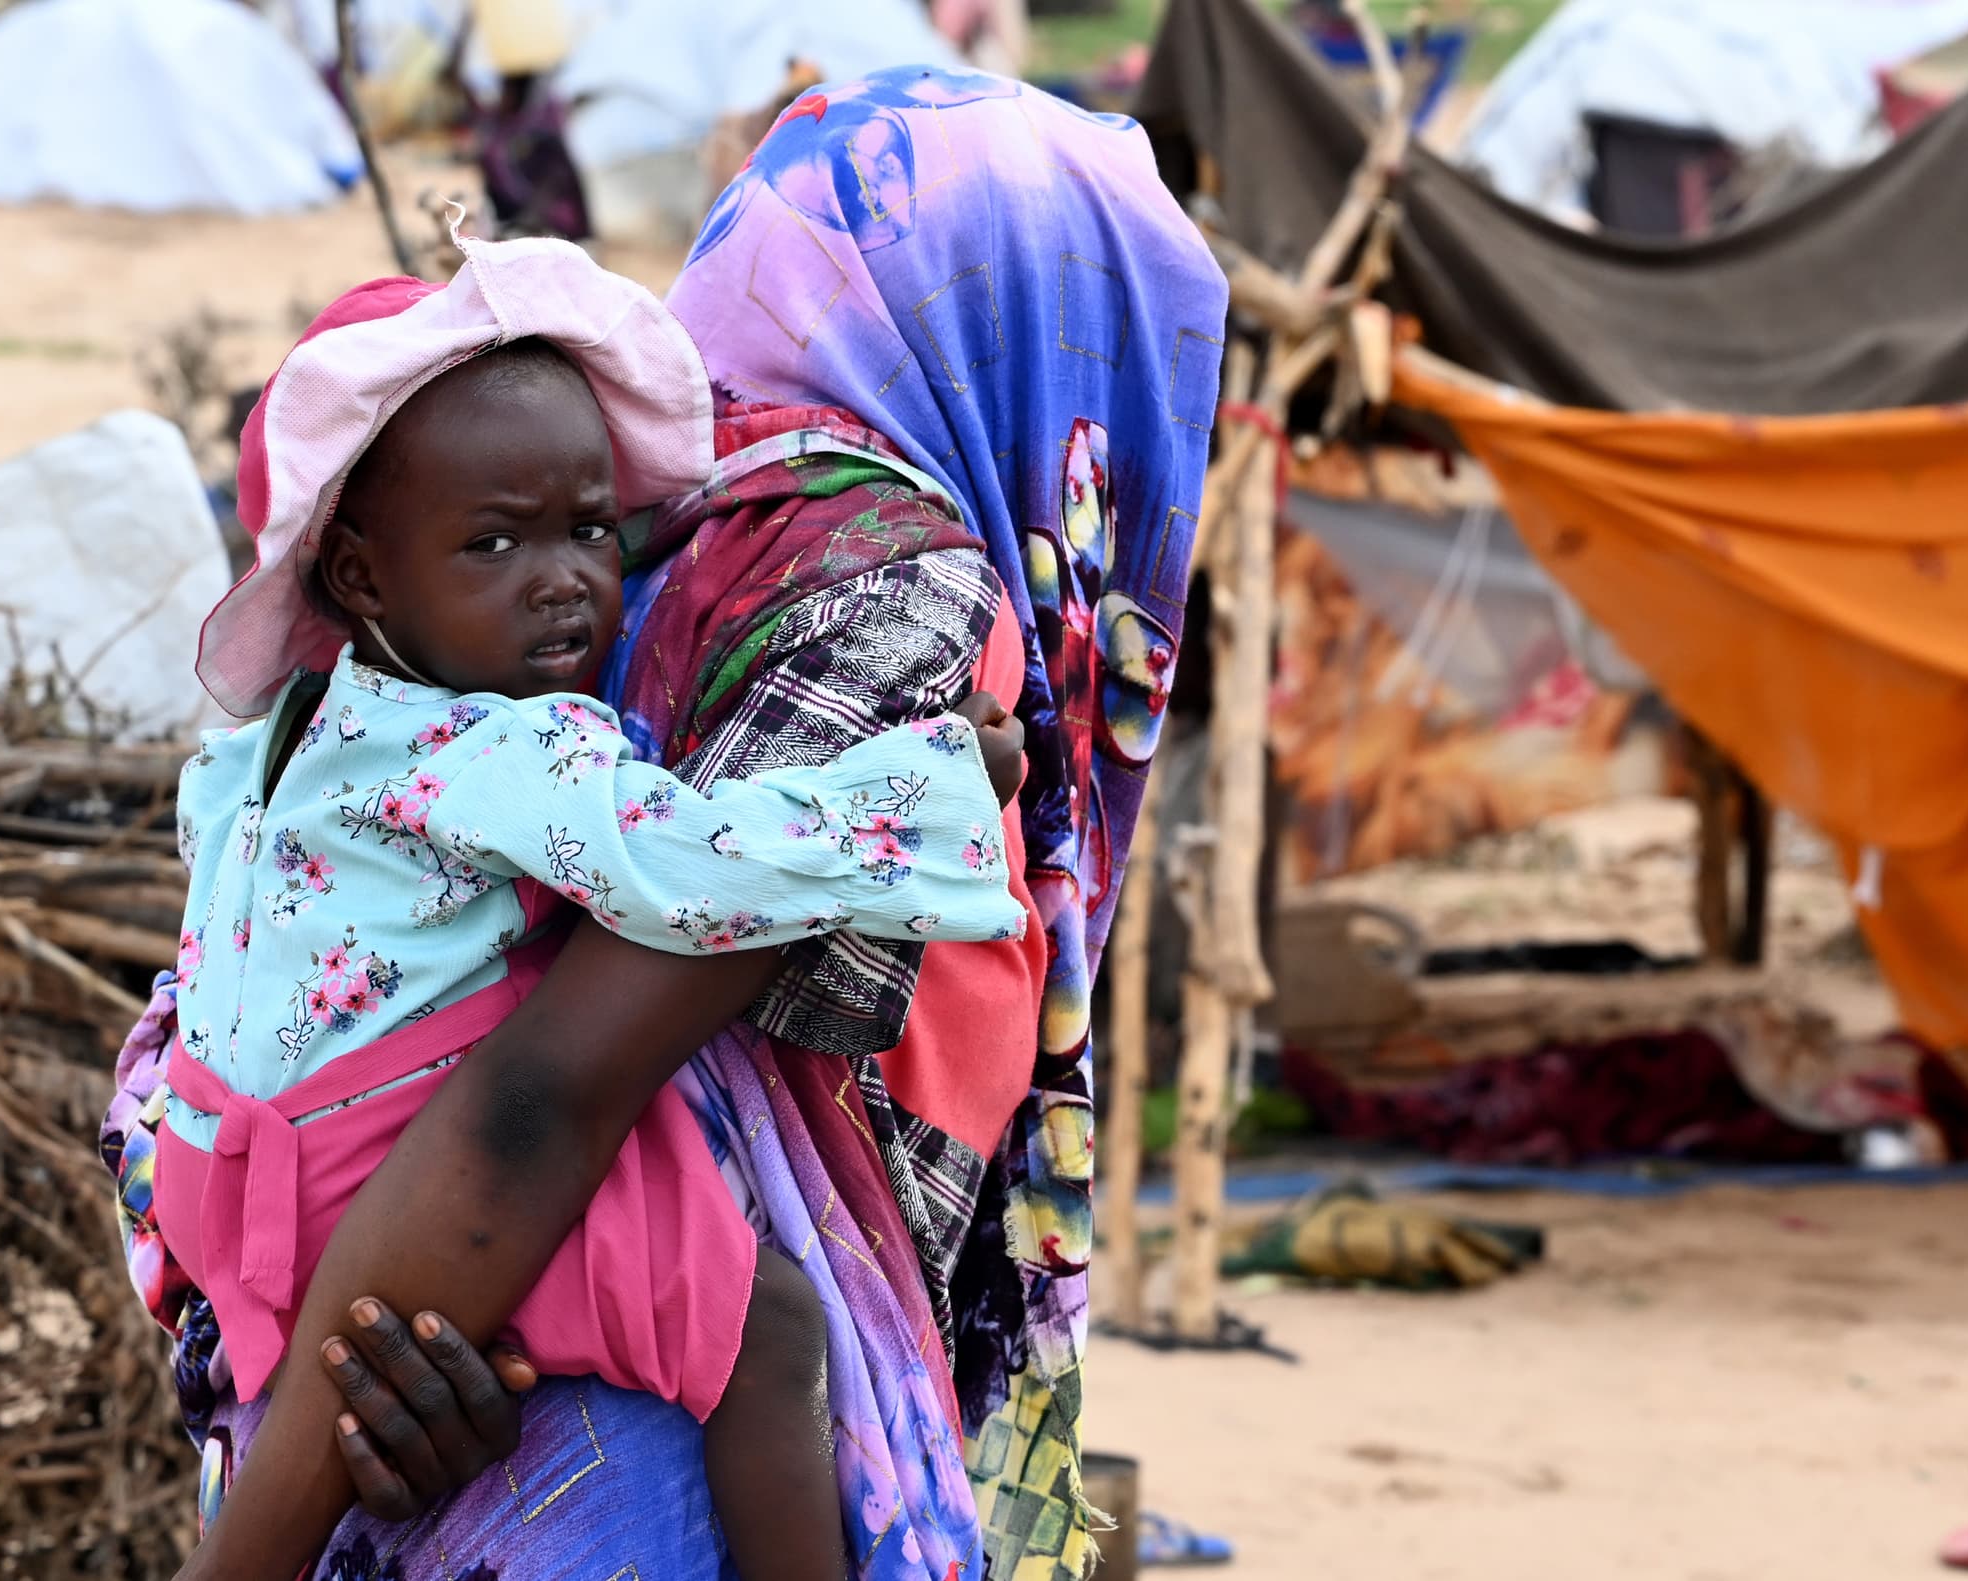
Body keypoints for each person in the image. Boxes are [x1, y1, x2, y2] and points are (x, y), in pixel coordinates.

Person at [104, 66, 1224, 1581]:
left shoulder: (629, 512)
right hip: (604, 1422)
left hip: (419, 1351)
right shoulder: (890, 581)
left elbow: (197, 1039)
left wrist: (317, 1361)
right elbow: (559, 1069)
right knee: (771, 1336)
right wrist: (948, 789)